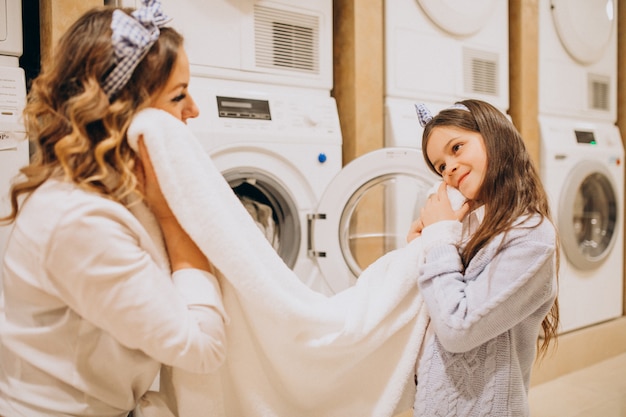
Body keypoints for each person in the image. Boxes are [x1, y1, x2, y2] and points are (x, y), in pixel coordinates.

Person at [0, 1, 228, 416]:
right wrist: (171, 218)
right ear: (123, 114)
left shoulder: (111, 192)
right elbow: (203, 348)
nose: (194, 109)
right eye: (179, 96)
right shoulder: (79, 220)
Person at [408, 100, 559, 416]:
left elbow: (458, 328)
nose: (448, 168)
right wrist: (419, 248)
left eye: (457, 148)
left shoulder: (531, 235)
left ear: (494, 135)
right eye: (439, 166)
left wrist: (438, 241)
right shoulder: (470, 225)